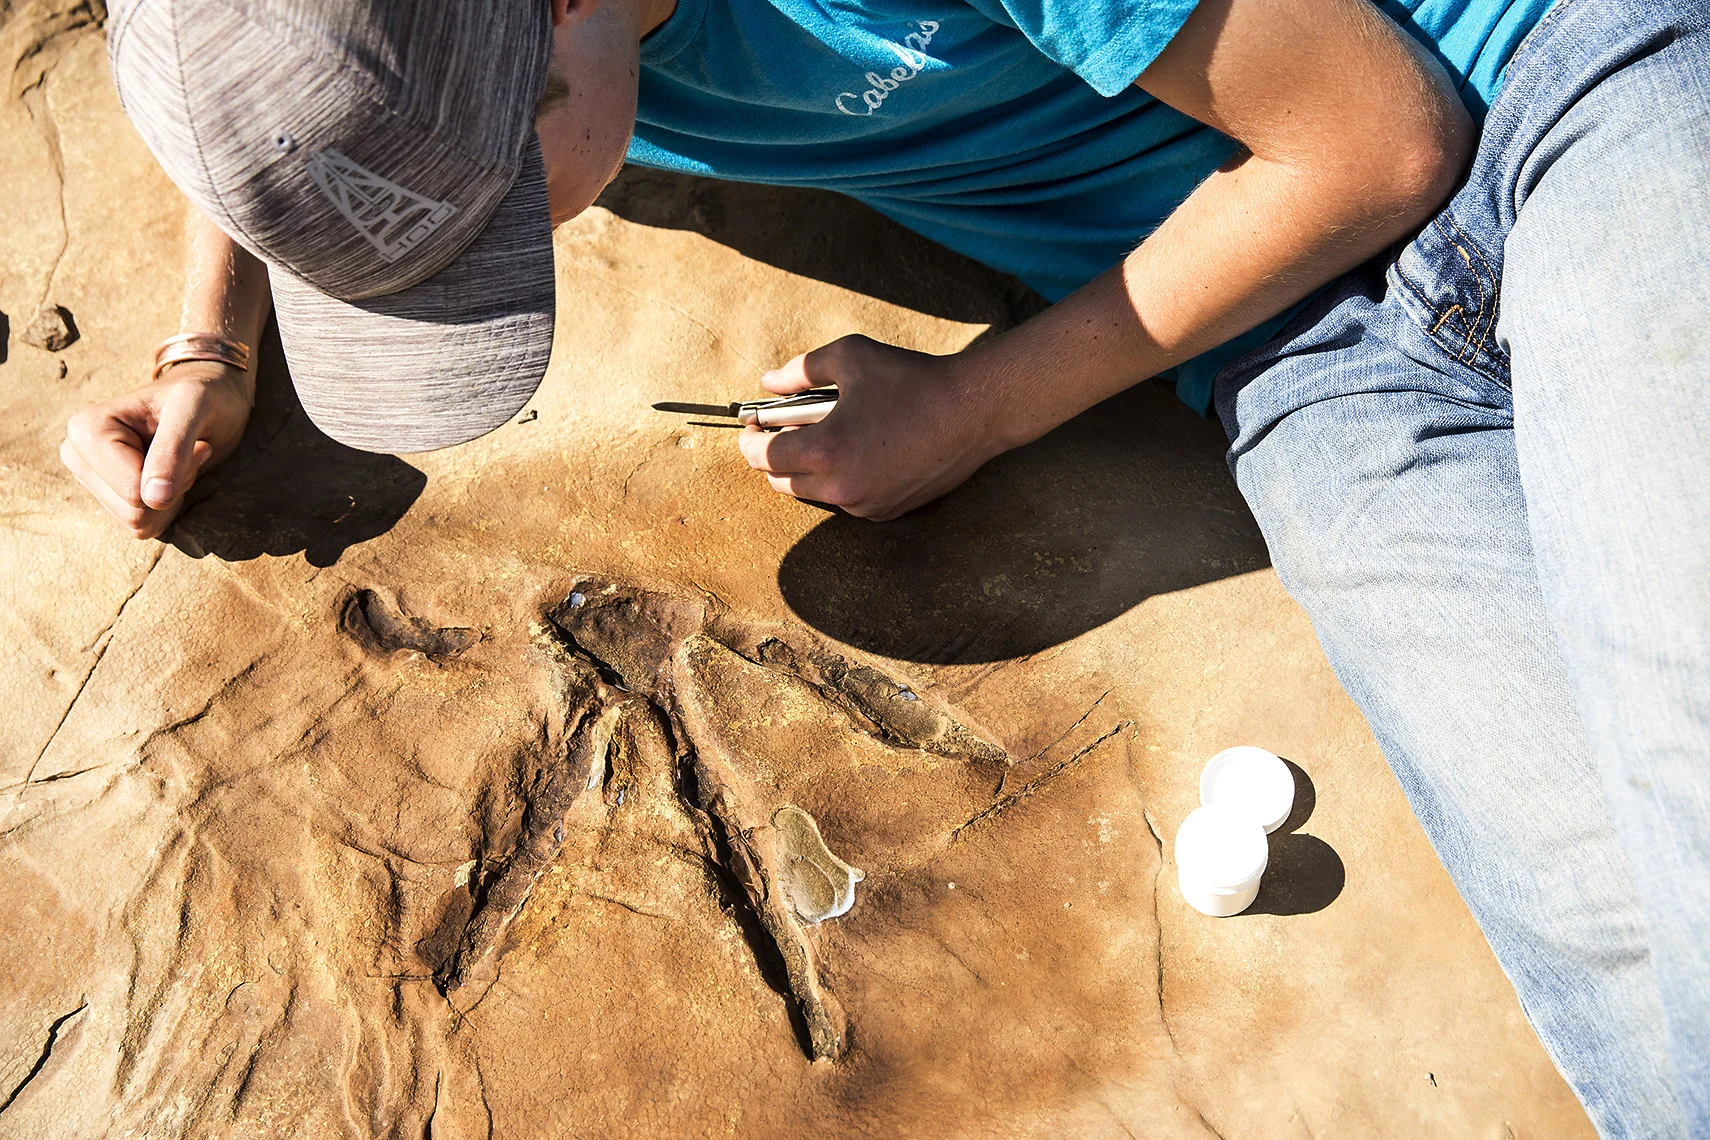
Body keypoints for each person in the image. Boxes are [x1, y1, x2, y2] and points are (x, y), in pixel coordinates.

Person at [64, 0, 1705, 1135]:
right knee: (1628, 962)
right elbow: (259, 56)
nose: (486, 276)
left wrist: (972, 410)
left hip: (1552, 88)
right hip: (1302, 346)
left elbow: (1378, 138)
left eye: (487, 230)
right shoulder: (482, 48)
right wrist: (212, 335)